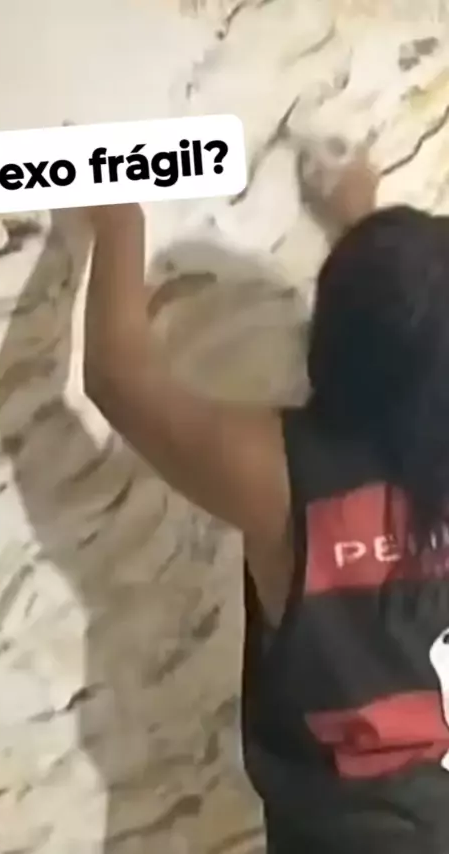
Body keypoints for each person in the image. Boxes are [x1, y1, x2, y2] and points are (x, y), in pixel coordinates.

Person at [78, 145, 449, 853]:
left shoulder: (284, 481)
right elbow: (424, 351)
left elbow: (118, 378)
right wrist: (369, 230)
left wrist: (117, 219)